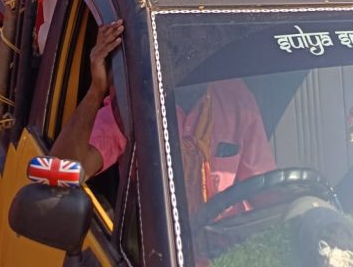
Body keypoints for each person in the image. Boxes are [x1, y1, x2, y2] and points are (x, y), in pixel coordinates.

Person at [52, 21, 275, 214]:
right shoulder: (134, 104)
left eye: (202, 43)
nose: (191, 55)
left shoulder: (235, 98)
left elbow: (266, 192)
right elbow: (59, 174)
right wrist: (96, 90)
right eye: (178, 45)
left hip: (228, 244)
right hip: (159, 242)